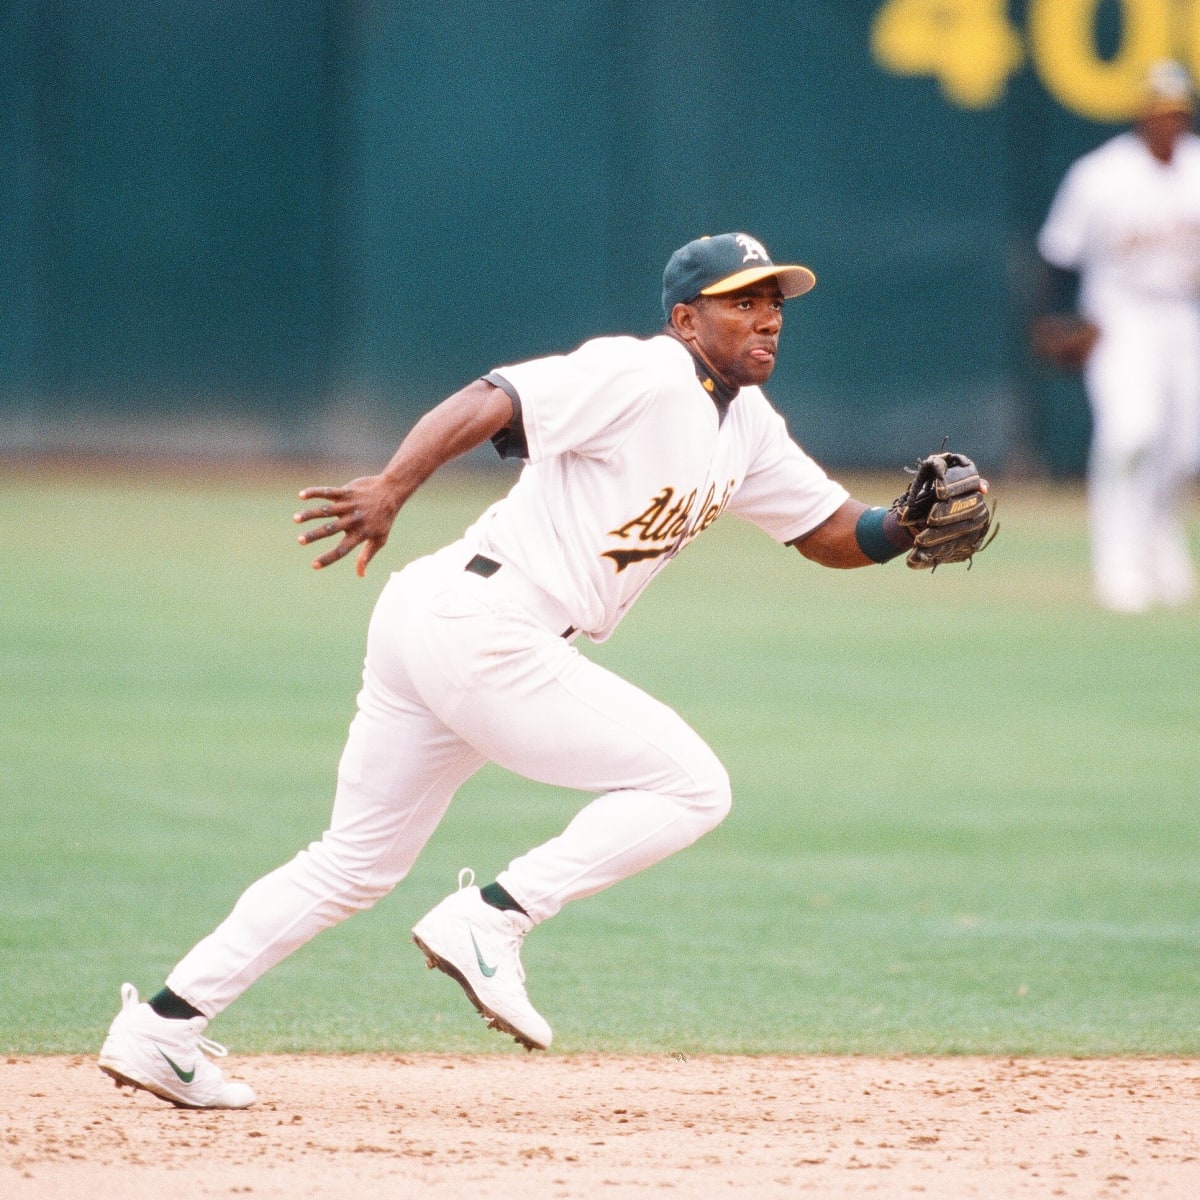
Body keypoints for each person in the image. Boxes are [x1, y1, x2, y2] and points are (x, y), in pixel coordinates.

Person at [99, 232, 951, 1109]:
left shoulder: (748, 427)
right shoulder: (645, 373)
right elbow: (494, 396)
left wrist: (905, 524)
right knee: (693, 787)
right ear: (686, 319)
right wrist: (392, 485)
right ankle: (492, 918)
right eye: (743, 301)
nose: (768, 317)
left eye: (775, 302)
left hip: (443, 619)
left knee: (354, 862)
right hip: (488, 625)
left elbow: (827, 532)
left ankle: (163, 1028)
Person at [1032, 60, 1200, 613]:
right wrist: (1053, 319)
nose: (1169, 122)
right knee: (1132, 432)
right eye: (1160, 112)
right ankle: (1117, 563)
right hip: (1118, 316)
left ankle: (1157, 536)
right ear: (1140, 114)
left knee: (1187, 447)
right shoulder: (1100, 175)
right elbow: (1057, 257)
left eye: (1177, 112)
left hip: (1183, 316)